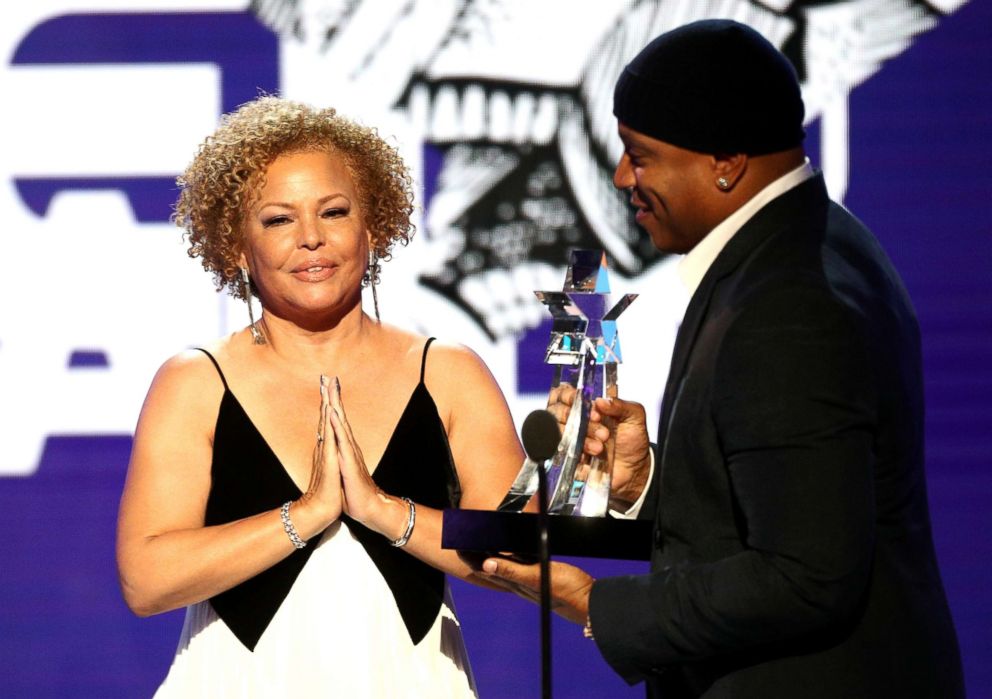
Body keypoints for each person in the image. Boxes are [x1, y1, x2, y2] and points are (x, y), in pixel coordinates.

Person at [481, 19, 965, 698]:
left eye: (640, 154)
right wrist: (647, 484)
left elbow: (804, 574)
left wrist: (595, 603)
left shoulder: (788, 304)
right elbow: (781, 505)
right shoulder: (808, 247)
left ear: (726, 163)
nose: (621, 176)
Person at [115, 96, 525, 697]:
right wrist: (303, 515)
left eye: (333, 212)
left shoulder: (447, 372)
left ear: (374, 226)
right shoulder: (196, 381)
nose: (311, 239)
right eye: (279, 219)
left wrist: (384, 512)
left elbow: (518, 558)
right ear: (235, 245)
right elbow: (147, 580)